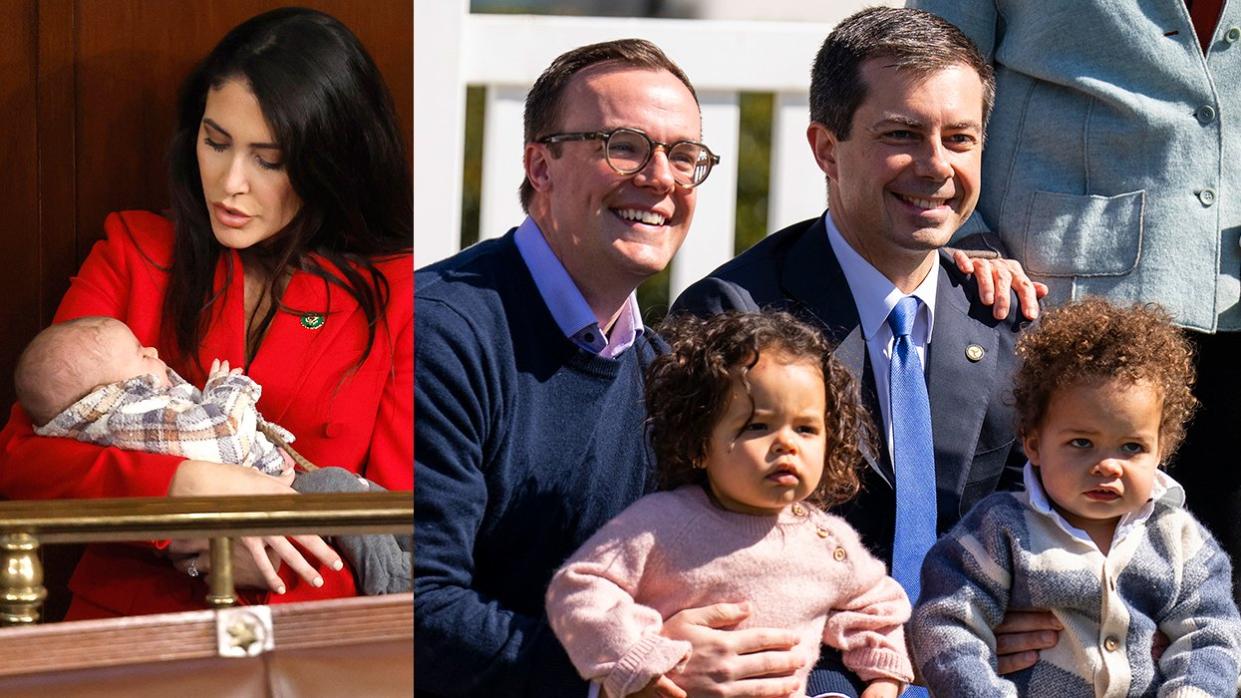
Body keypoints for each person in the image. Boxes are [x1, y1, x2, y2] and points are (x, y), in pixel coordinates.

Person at [415, 39, 839, 697]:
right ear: (541, 164)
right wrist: (627, 673)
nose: (661, 178)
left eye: (684, 156)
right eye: (624, 145)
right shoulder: (441, 333)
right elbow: (416, 606)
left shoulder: (666, 373)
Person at [672, 8, 1053, 694]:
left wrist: (1020, 611)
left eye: (959, 138)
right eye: (901, 135)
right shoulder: (732, 317)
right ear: (825, 147)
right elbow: (712, 562)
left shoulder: (1002, 314)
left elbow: (1035, 520)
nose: (936, 166)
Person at [0, 7, 412, 618]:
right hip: (130, 628)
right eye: (215, 142)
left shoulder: (397, 291)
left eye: (268, 159)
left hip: (315, 634)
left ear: (330, 159)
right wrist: (187, 496)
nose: (230, 183)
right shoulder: (134, 252)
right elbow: (25, 461)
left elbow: (400, 516)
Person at [908, 0, 1241, 604]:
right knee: (1053, 608)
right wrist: (966, 236)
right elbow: (924, 68)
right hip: (1046, 312)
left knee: (1215, 612)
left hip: (1231, 307)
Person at [546, 311, 914, 698]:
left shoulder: (827, 540)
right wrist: (640, 659)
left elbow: (877, 607)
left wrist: (883, 682)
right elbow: (579, 590)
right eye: (758, 425)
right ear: (700, 444)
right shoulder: (661, 524)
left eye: (806, 428)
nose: (787, 443)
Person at [910, 298, 1241, 696]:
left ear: (1162, 448)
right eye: (1081, 443)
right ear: (1033, 444)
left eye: (1132, 447)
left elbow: (1211, 635)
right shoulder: (1001, 529)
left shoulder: (1180, 539)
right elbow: (947, 621)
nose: (1107, 465)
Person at [14, 316, 410, 596]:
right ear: (111, 390)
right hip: (149, 606)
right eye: (140, 351)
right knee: (341, 488)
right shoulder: (118, 403)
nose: (152, 349)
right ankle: (394, 580)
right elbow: (22, 461)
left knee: (373, 498)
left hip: (317, 592)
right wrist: (191, 484)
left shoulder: (392, 283)